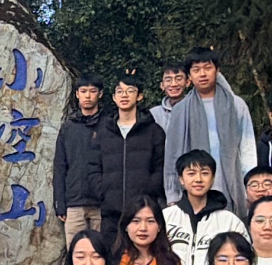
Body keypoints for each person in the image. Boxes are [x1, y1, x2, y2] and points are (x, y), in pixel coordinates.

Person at [162, 47, 257, 215]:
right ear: (189, 76)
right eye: (196, 70)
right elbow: (172, 155)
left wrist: (250, 185)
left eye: (207, 68)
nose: (202, 74)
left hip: (232, 185)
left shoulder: (236, 105)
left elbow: (247, 148)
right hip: (194, 189)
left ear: (217, 70)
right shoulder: (181, 110)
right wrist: (172, 195)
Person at [164, 150, 248, 265]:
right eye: (191, 173)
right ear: (181, 179)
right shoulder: (166, 217)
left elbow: (244, 261)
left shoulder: (230, 222)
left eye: (204, 173)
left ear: (213, 178)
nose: (198, 179)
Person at [97, 74, 165, 245]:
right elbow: (93, 166)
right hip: (111, 211)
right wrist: (103, 190)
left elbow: (160, 166)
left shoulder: (153, 131)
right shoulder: (104, 131)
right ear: (114, 97)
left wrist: (149, 190)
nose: (124, 95)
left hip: (142, 211)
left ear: (139, 96)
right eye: (120, 91)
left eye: (130, 91)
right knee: (111, 256)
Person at [53, 74, 106, 246]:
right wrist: (60, 202)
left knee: (102, 251)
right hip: (74, 201)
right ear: (77, 94)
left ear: (100, 94)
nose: (88, 96)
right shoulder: (68, 127)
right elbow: (60, 166)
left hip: (102, 203)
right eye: (83, 91)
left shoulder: (109, 125)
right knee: (75, 251)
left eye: (92, 91)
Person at [150, 61, 188, 131]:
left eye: (179, 79)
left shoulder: (195, 109)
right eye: (168, 80)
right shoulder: (154, 114)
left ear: (187, 82)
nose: (174, 84)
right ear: (162, 85)